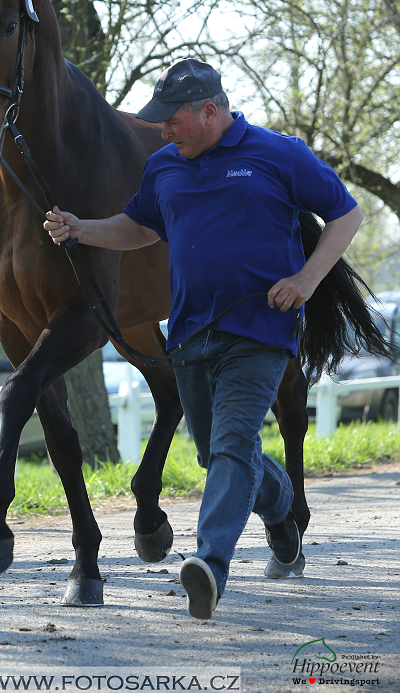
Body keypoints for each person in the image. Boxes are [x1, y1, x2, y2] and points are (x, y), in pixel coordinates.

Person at [43, 58, 362, 620]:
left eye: (172, 121)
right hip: (189, 334)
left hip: (261, 329)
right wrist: (82, 228)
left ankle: (210, 565)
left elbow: (345, 214)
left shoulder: (278, 154)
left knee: (233, 443)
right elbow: (140, 227)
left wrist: (307, 279)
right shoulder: (165, 165)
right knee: (220, 448)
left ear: (209, 112)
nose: (163, 131)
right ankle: (281, 508)